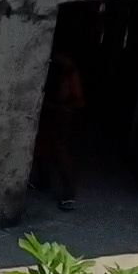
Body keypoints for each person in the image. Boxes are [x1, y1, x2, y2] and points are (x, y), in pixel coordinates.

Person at [34, 50, 85, 211]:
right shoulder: (49, 66)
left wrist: (58, 107)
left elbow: (79, 102)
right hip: (48, 110)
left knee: (60, 152)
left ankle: (69, 191)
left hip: (61, 114)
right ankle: (43, 181)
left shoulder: (70, 72)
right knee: (40, 146)